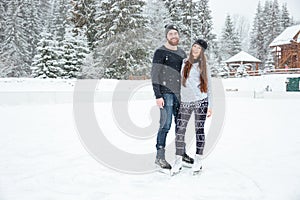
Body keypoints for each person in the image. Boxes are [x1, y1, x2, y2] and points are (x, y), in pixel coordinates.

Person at [151, 24, 194, 170]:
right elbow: (154, 74)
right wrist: (158, 95)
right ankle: (160, 157)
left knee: (181, 126)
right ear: (166, 36)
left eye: (176, 33)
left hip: (180, 94)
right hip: (165, 94)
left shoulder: (182, 53)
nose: (174, 36)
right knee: (166, 124)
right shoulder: (160, 52)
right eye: (171, 34)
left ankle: (182, 153)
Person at [171, 39, 212, 175]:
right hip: (186, 102)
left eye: (198, 48)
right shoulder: (184, 63)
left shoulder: (204, 66)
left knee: (199, 130)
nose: (195, 49)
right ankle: (178, 161)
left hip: (201, 101)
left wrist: (210, 105)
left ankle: (198, 160)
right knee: (180, 131)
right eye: (194, 46)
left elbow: (210, 87)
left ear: (202, 52)